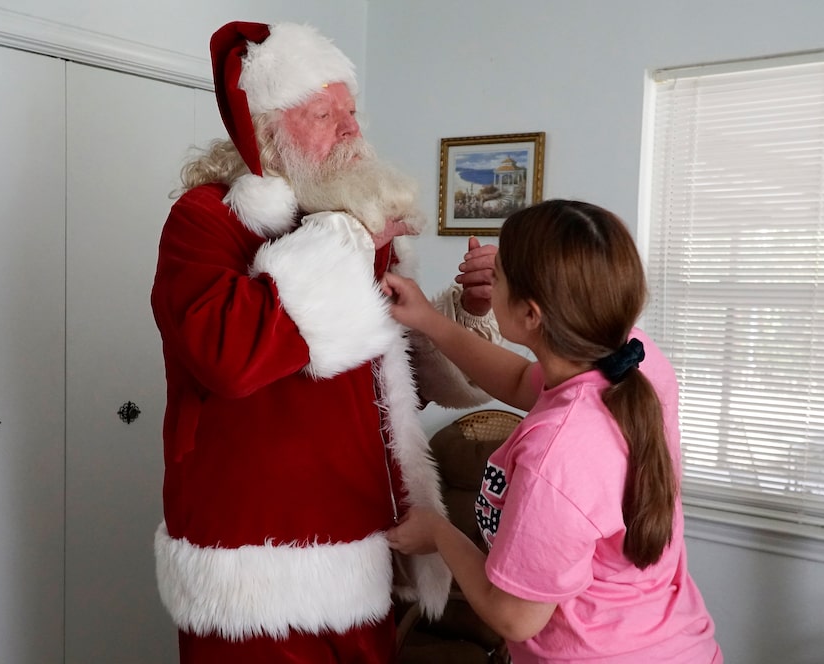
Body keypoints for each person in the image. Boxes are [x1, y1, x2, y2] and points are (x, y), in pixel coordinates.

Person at [150, 20, 500, 664]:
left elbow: (403, 378)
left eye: (352, 111)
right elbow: (229, 357)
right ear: (266, 135)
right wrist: (346, 239)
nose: (351, 128)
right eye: (323, 112)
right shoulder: (204, 221)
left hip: (364, 539)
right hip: (254, 560)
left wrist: (467, 309)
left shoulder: (355, 226)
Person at [383, 199, 724, 663]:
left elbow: (515, 617)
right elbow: (522, 381)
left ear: (531, 315)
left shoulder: (556, 456)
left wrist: (439, 533)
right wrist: (428, 319)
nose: (489, 278)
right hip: (672, 642)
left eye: (499, 274)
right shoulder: (634, 359)